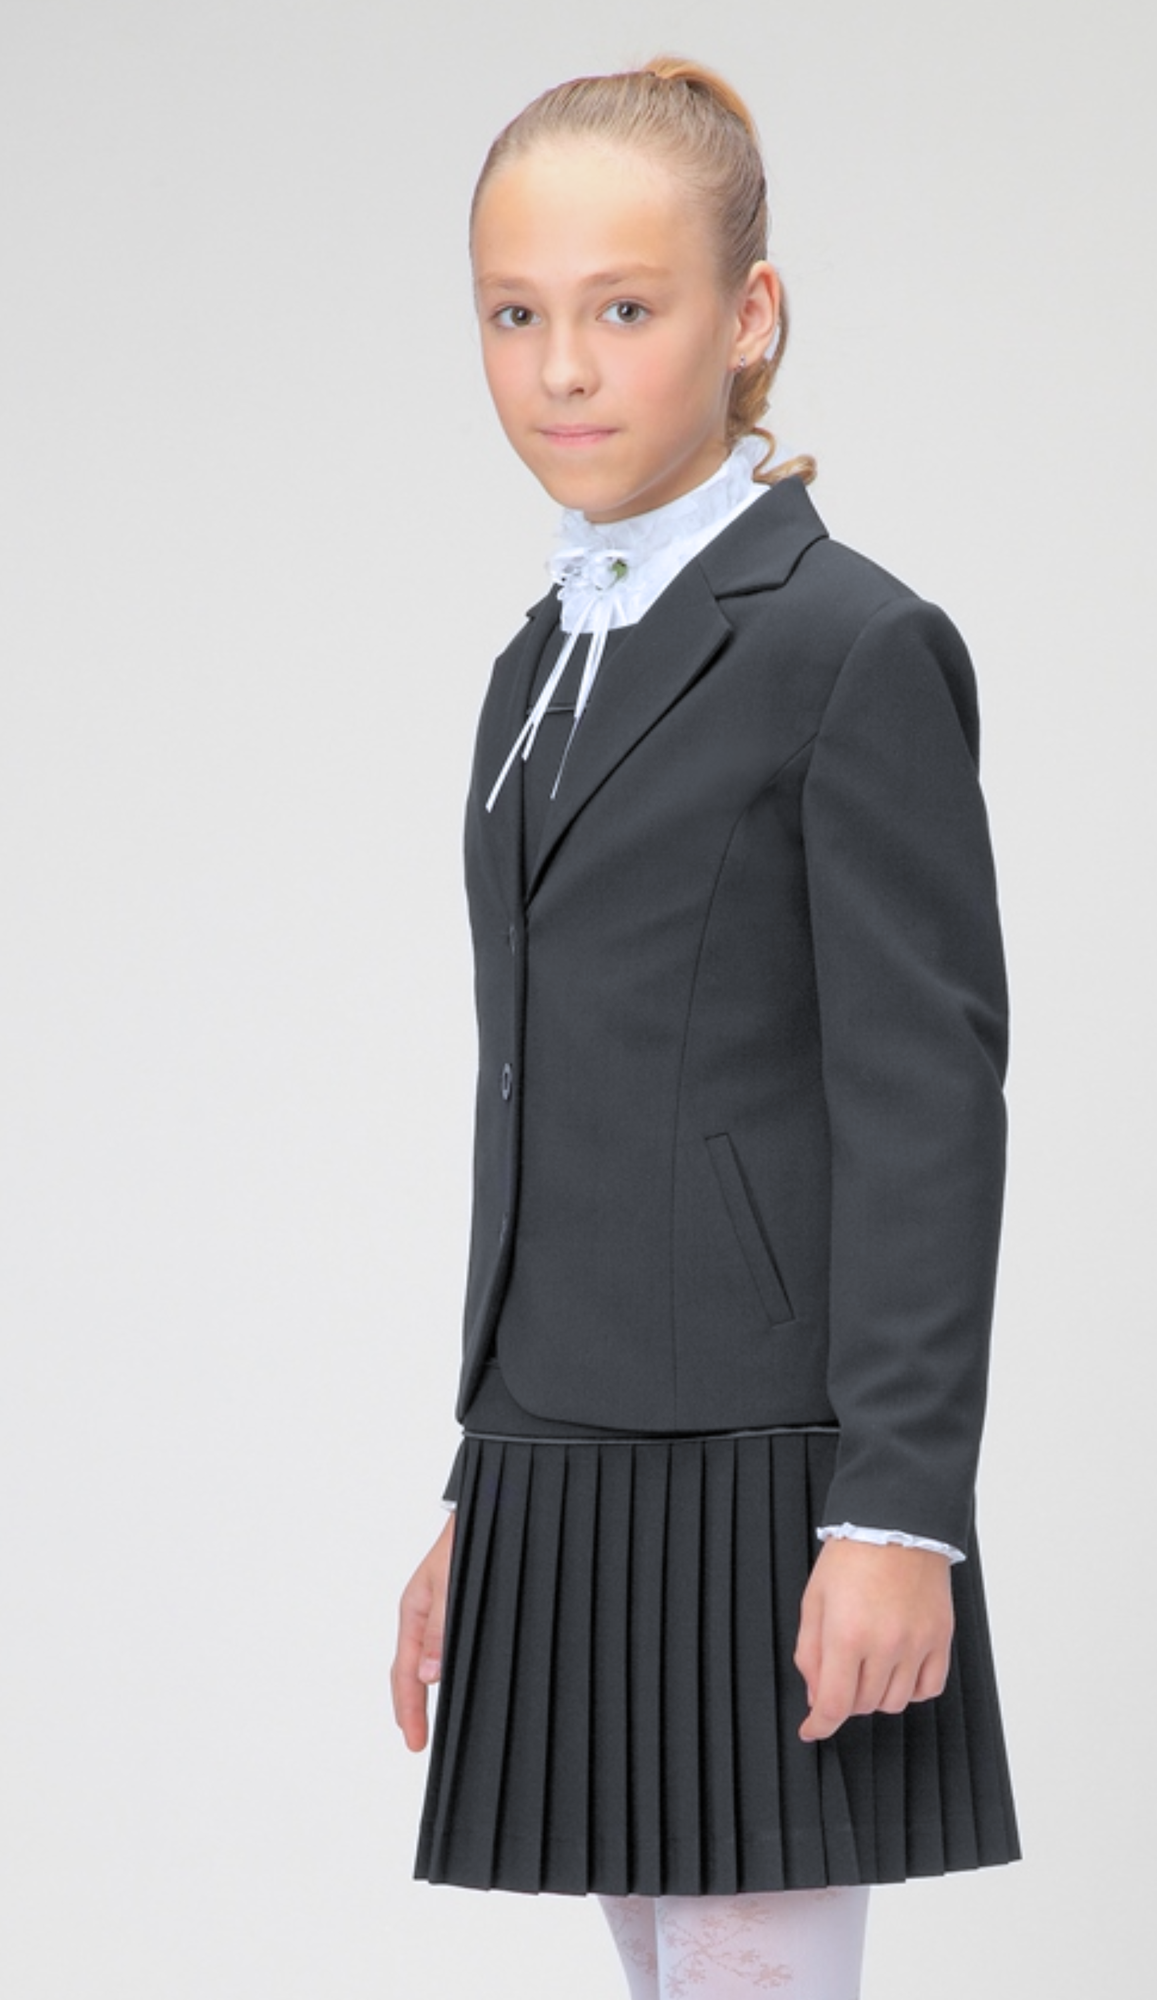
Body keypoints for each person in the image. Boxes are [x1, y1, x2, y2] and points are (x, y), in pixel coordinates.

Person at [390, 53, 1020, 1997]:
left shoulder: (849, 646)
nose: (563, 369)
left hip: (774, 1466)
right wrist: (482, 1482)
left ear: (750, 318)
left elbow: (925, 1099)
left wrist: (900, 1507)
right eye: (515, 315)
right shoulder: (537, 668)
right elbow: (546, 1097)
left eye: (624, 307)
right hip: (567, 1452)